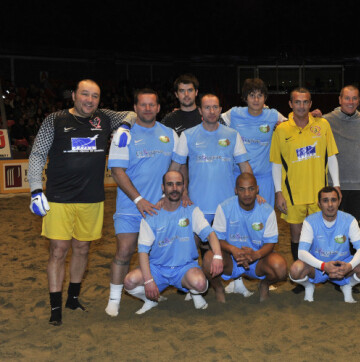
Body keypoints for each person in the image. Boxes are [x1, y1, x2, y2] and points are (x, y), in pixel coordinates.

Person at [28, 79, 136, 326]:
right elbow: (36, 155)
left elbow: (131, 112)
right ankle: (56, 308)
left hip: (92, 198)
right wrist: (35, 189)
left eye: (95, 96)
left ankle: (72, 298)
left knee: (82, 249)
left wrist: (126, 127)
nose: (90, 100)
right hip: (58, 198)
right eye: (85, 94)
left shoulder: (105, 117)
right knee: (58, 251)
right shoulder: (54, 120)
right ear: (74, 95)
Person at [105, 89, 178, 317]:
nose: (147, 108)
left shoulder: (170, 134)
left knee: (160, 255)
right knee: (125, 251)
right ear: (135, 108)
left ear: (158, 108)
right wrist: (138, 200)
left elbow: (177, 168)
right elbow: (117, 171)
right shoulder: (123, 135)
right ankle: (114, 299)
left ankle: (152, 292)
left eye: (152, 105)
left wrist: (171, 197)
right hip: (131, 206)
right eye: (143, 105)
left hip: (160, 209)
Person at [123, 171, 224, 313]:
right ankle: (150, 300)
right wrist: (148, 281)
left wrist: (218, 256)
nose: (174, 188)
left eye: (178, 184)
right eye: (170, 184)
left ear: (183, 187)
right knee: (129, 281)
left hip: (184, 268)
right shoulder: (151, 215)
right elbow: (143, 251)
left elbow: (211, 234)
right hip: (157, 268)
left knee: (200, 284)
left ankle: (195, 294)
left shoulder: (192, 211)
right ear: (163, 188)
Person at [270, 87, 341, 267]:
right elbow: (276, 164)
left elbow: (331, 156)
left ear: (310, 104)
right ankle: (302, 275)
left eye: (305, 102)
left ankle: (321, 272)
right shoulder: (281, 130)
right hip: (293, 193)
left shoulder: (322, 125)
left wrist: (337, 185)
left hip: (320, 193)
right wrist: (278, 192)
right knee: (297, 235)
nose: (301, 106)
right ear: (290, 104)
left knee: (321, 234)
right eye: (297, 102)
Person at [170, 93, 252, 223]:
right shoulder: (187, 135)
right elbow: (175, 168)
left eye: (215, 107)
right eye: (207, 107)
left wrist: (252, 193)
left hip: (227, 206)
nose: (212, 111)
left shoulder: (233, 135)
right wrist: (181, 193)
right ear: (200, 110)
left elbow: (245, 167)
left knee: (223, 244)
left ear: (220, 110)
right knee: (194, 243)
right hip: (196, 205)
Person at [204, 173, 287, 302]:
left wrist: (256, 254)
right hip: (231, 260)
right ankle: (219, 288)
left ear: (257, 189)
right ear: (236, 190)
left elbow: (270, 243)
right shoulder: (224, 207)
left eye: (251, 188)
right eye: (242, 189)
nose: (247, 193)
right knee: (209, 259)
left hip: (257, 260)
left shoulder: (267, 210)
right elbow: (216, 238)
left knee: (280, 268)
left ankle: (264, 285)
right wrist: (233, 249)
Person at [289, 186, 360, 303]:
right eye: (325, 200)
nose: (330, 204)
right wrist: (323, 266)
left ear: (339, 202)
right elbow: (301, 253)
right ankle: (309, 286)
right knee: (295, 270)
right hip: (318, 266)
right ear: (319, 204)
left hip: (343, 265)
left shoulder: (349, 220)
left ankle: (348, 286)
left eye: (333, 200)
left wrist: (349, 266)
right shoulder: (310, 221)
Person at [220, 78, 286, 207]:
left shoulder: (273, 115)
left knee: (263, 219)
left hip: (264, 179)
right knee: (238, 218)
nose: (256, 100)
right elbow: (211, 120)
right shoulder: (234, 114)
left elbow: (295, 124)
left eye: (260, 96)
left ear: (265, 98)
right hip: (239, 176)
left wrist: (312, 115)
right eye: (252, 96)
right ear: (245, 98)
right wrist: (187, 113)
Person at [323, 85, 360, 221]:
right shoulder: (326, 121)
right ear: (340, 100)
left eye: (354, 98)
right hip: (332, 184)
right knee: (331, 226)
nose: (351, 102)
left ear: (359, 101)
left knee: (353, 227)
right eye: (347, 98)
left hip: (357, 185)